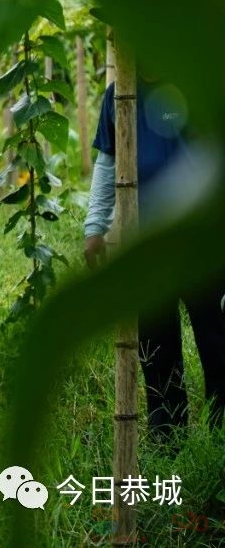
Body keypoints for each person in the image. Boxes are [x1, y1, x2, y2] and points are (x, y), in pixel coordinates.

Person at [84, 77, 225, 437]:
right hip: (144, 244)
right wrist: (95, 227)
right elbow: (107, 160)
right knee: (157, 348)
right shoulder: (118, 93)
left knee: (217, 338)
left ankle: (221, 430)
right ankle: (168, 437)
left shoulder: (193, 75)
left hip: (201, 241)